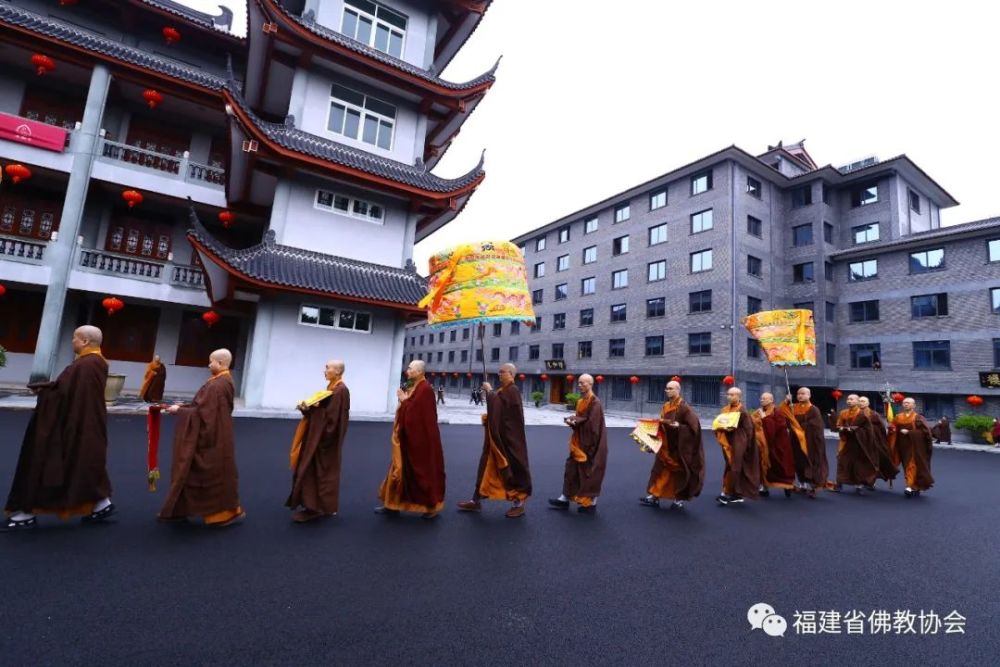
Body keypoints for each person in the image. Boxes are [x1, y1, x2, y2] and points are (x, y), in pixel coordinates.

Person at [3, 326, 114, 531]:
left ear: (85, 342)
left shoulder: (86, 365)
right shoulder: (95, 362)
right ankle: (100, 503)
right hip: (89, 423)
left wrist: (46, 392)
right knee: (86, 465)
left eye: (74, 338)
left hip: (76, 424)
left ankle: (28, 511)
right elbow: (72, 392)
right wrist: (50, 387)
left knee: (51, 462)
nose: (72, 342)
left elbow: (66, 395)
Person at [157, 349, 243, 527]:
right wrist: (185, 406)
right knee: (190, 472)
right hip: (219, 433)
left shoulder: (217, 385)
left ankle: (224, 515)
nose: (209, 364)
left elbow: (205, 415)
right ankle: (179, 509)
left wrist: (180, 411)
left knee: (205, 473)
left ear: (220, 363)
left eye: (211, 361)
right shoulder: (222, 381)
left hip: (212, 438)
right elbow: (204, 407)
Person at [457, 363, 532, 518]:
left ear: (511, 374)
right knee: (484, 467)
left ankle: (519, 504)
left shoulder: (513, 390)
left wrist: (490, 392)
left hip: (509, 440)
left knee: (512, 470)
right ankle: (475, 500)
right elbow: (496, 409)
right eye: (499, 372)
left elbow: (507, 414)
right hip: (495, 439)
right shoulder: (503, 391)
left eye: (502, 372)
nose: (499, 374)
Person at [377, 360, 446, 519]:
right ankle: (392, 505)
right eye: (408, 368)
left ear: (420, 372)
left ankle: (431, 507)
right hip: (406, 438)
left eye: (410, 368)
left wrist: (404, 400)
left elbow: (418, 416)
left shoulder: (425, 390)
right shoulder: (412, 386)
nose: (407, 371)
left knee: (420, 474)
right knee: (397, 470)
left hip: (420, 442)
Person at [286, 360, 350, 523]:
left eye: (327, 367)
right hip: (318, 437)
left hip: (324, 442)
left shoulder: (341, 390)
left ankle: (316, 507)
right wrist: (309, 409)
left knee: (318, 472)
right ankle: (313, 505)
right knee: (311, 470)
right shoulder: (331, 388)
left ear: (337, 372)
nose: (324, 370)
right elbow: (324, 412)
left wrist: (311, 411)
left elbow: (332, 421)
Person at [639, 380, 703, 510]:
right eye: (666, 388)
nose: (667, 391)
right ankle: (655, 496)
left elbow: (694, 427)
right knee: (659, 471)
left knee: (678, 473)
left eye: (670, 388)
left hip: (678, 447)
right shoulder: (666, 405)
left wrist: (680, 427)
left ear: (678, 390)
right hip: (665, 445)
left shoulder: (684, 407)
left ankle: (678, 499)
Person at [549, 374, 607, 513]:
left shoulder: (595, 403)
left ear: (590, 384)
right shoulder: (581, 401)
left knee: (589, 473)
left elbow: (593, 427)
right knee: (571, 469)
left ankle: (590, 502)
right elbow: (582, 420)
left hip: (591, 443)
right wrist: (573, 422)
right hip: (579, 441)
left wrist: (589, 447)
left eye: (583, 383)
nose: (579, 385)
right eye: (579, 383)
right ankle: (565, 497)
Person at [778, 387, 829, 498]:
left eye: (803, 393)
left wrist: (800, 427)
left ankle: (813, 487)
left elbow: (817, 426)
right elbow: (781, 412)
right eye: (798, 393)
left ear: (809, 395)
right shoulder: (793, 407)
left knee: (810, 461)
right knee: (798, 461)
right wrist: (786, 401)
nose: (800, 395)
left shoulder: (813, 409)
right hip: (795, 439)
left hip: (809, 440)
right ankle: (802, 485)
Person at [713, 386, 759, 505]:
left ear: (739, 396)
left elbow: (749, 429)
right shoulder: (725, 409)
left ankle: (730, 492)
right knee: (729, 465)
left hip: (739, 441)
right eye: (728, 394)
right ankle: (733, 493)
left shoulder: (742, 410)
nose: (730, 396)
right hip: (727, 441)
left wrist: (747, 445)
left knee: (735, 466)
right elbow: (719, 423)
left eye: (733, 395)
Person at [751, 392, 796, 498]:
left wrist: (765, 419)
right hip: (764, 444)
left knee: (782, 465)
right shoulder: (759, 411)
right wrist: (758, 420)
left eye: (765, 398)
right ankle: (764, 487)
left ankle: (787, 486)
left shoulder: (777, 412)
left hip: (777, 444)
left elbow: (779, 427)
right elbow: (752, 421)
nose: (762, 400)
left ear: (771, 400)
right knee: (763, 465)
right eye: (761, 398)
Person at [888, 397, 934, 497]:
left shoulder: (918, 418)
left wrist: (910, 432)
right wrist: (892, 429)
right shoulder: (898, 417)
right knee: (906, 466)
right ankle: (914, 486)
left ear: (914, 405)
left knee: (912, 465)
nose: (906, 404)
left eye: (908, 403)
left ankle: (909, 486)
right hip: (901, 446)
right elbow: (893, 427)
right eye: (904, 403)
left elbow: (926, 433)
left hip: (915, 447)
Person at [834, 394, 878, 493]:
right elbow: (838, 424)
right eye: (848, 399)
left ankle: (859, 485)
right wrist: (841, 428)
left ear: (857, 402)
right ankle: (839, 483)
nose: (849, 401)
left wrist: (856, 430)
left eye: (852, 399)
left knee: (858, 464)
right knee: (842, 461)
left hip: (859, 442)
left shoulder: (862, 414)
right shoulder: (843, 413)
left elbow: (868, 429)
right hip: (846, 441)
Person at [858, 396, 899, 485]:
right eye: (860, 401)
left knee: (871, 461)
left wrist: (868, 428)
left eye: (863, 401)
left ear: (868, 403)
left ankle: (870, 480)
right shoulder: (854, 413)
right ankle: (860, 480)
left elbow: (881, 428)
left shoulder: (873, 414)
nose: (861, 403)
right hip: (858, 442)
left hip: (872, 442)